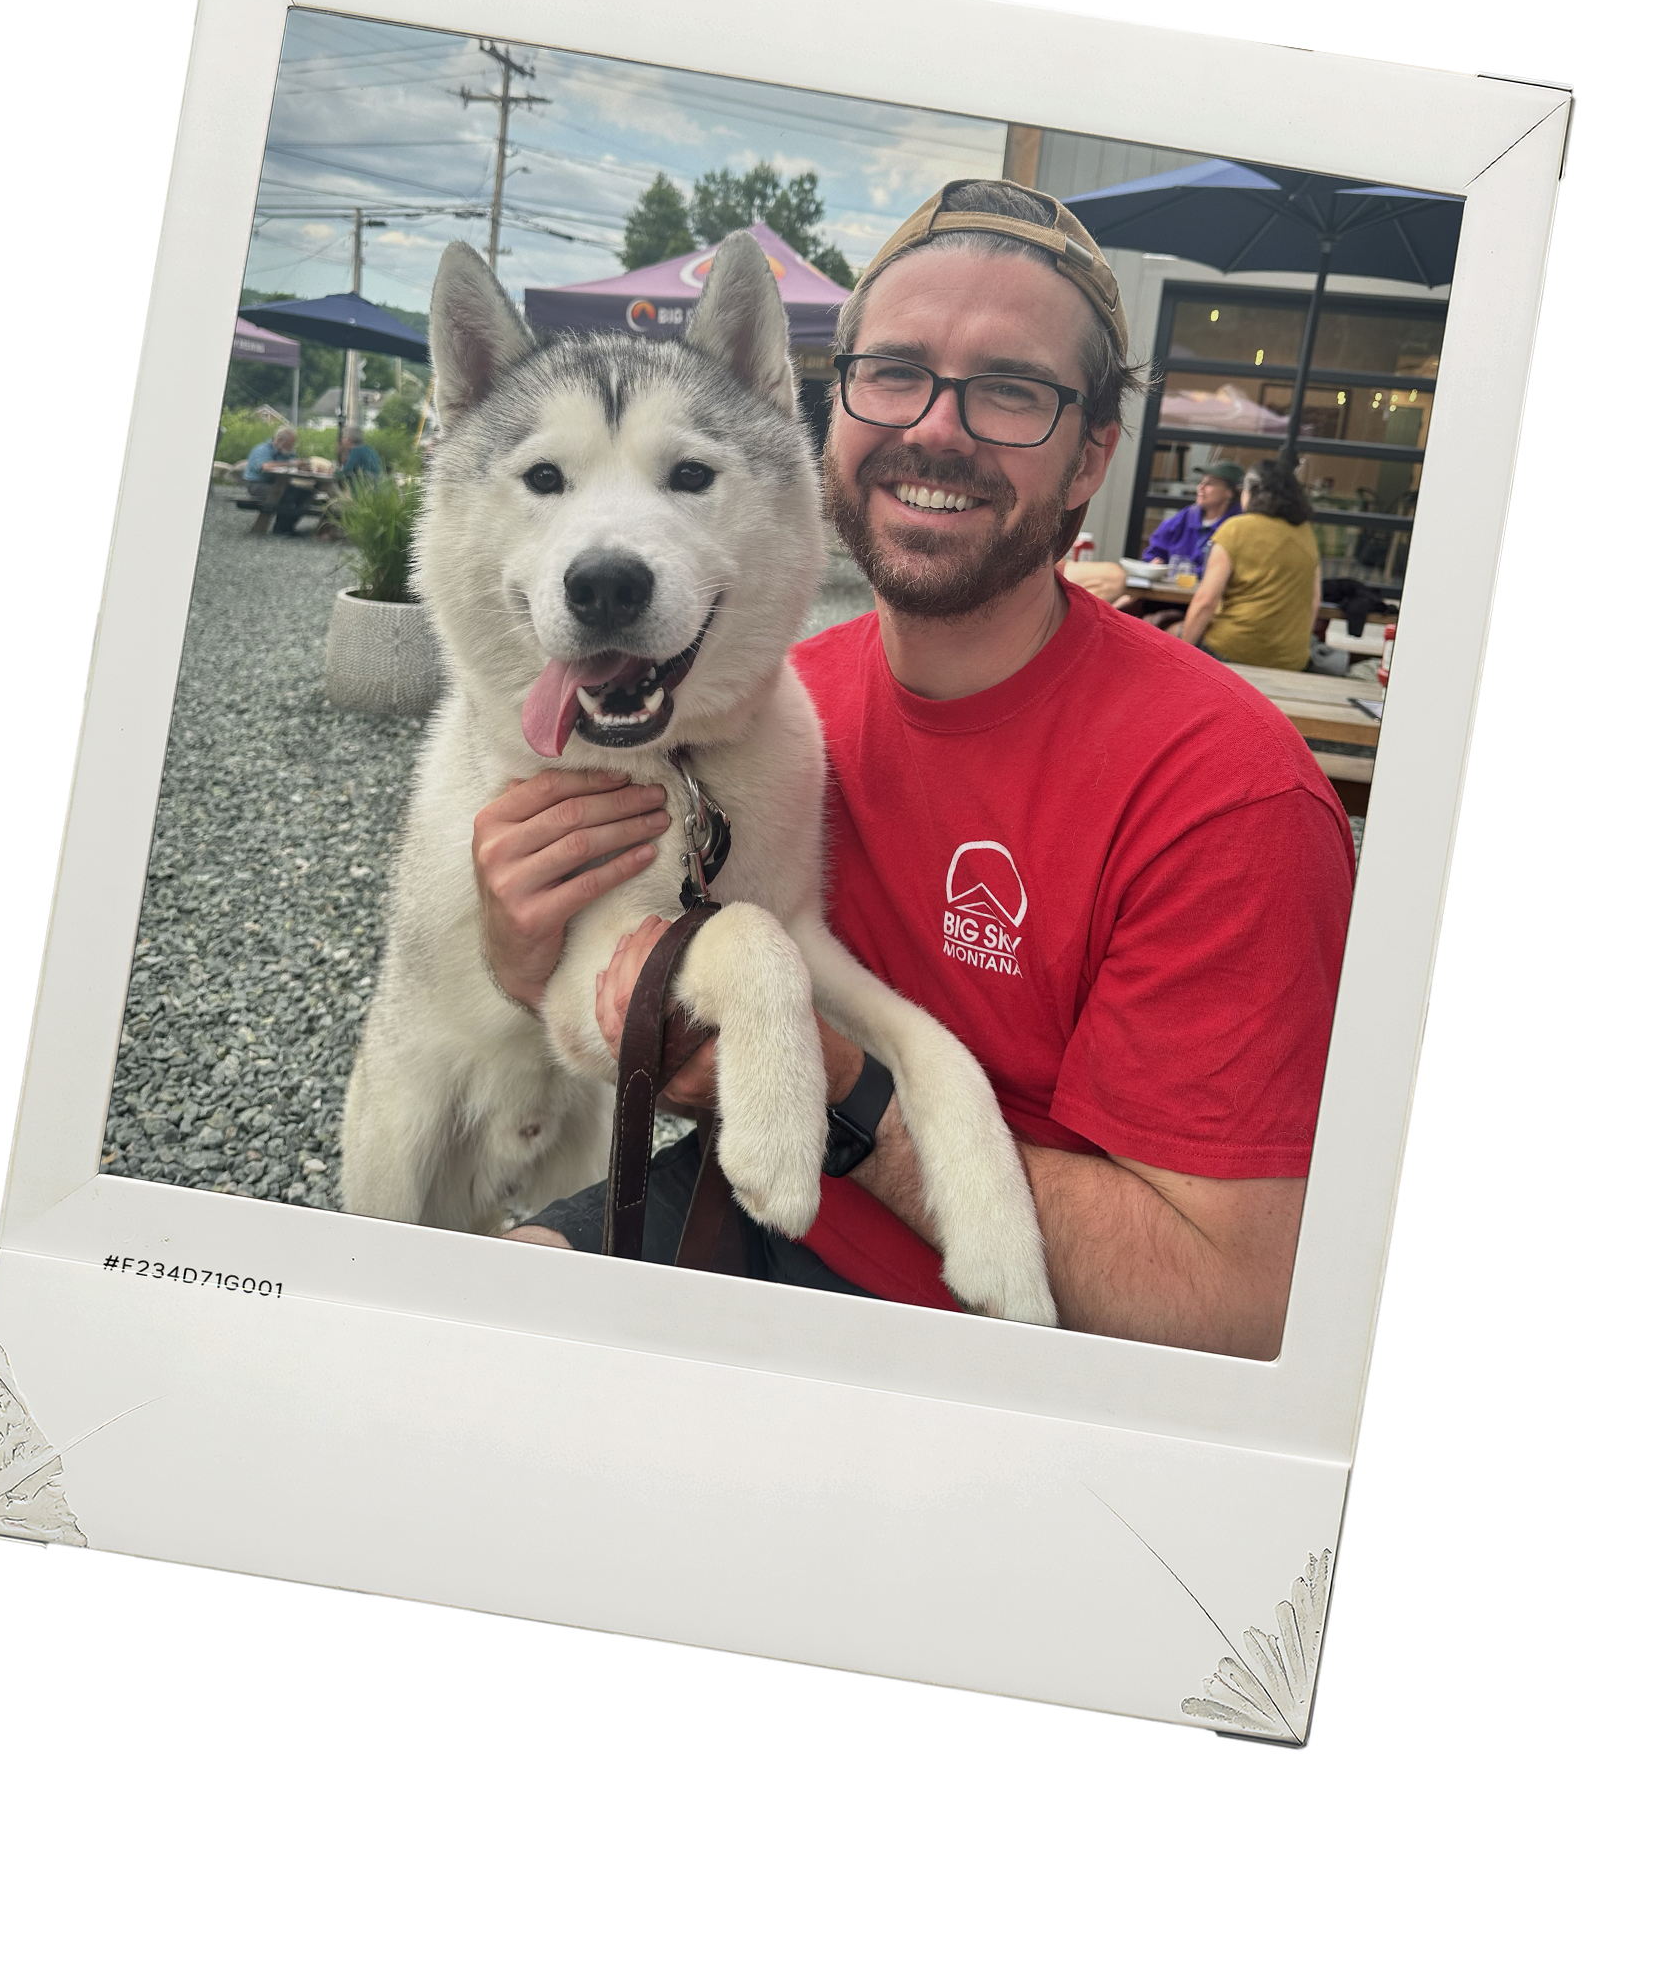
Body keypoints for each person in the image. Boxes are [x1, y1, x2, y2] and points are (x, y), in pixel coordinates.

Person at [473, 180, 1355, 1359]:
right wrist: (519, 942)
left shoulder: (1225, 796)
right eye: (892, 373)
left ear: (1091, 456)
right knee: (459, 1340)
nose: (936, 427)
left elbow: (1232, 1306)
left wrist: (841, 1095)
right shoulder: (760, 698)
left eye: (1010, 389)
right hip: (740, 1198)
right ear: (829, 409)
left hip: (994, 1329)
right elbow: (619, 983)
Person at [1176, 457, 1323, 671]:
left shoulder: (1235, 528)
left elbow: (1206, 602)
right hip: (1292, 659)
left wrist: (1181, 660)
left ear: (1252, 491)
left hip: (1232, 650)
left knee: (1167, 630)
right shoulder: (1306, 533)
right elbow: (1314, 601)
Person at [1144, 459, 1243, 575]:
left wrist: (1186, 572)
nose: (1200, 487)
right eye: (1201, 482)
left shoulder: (1237, 525)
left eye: (1209, 483)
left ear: (1230, 492)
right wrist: (1155, 561)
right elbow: (1156, 550)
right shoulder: (1186, 516)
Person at [244, 424, 315, 535]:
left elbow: (294, 463)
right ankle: (279, 528)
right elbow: (266, 466)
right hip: (258, 484)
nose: (292, 447)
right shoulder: (262, 450)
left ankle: (287, 527)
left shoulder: (287, 453)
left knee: (305, 493)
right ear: (279, 440)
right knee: (285, 495)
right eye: (290, 444)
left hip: (280, 484)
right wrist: (291, 464)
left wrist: (303, 466)